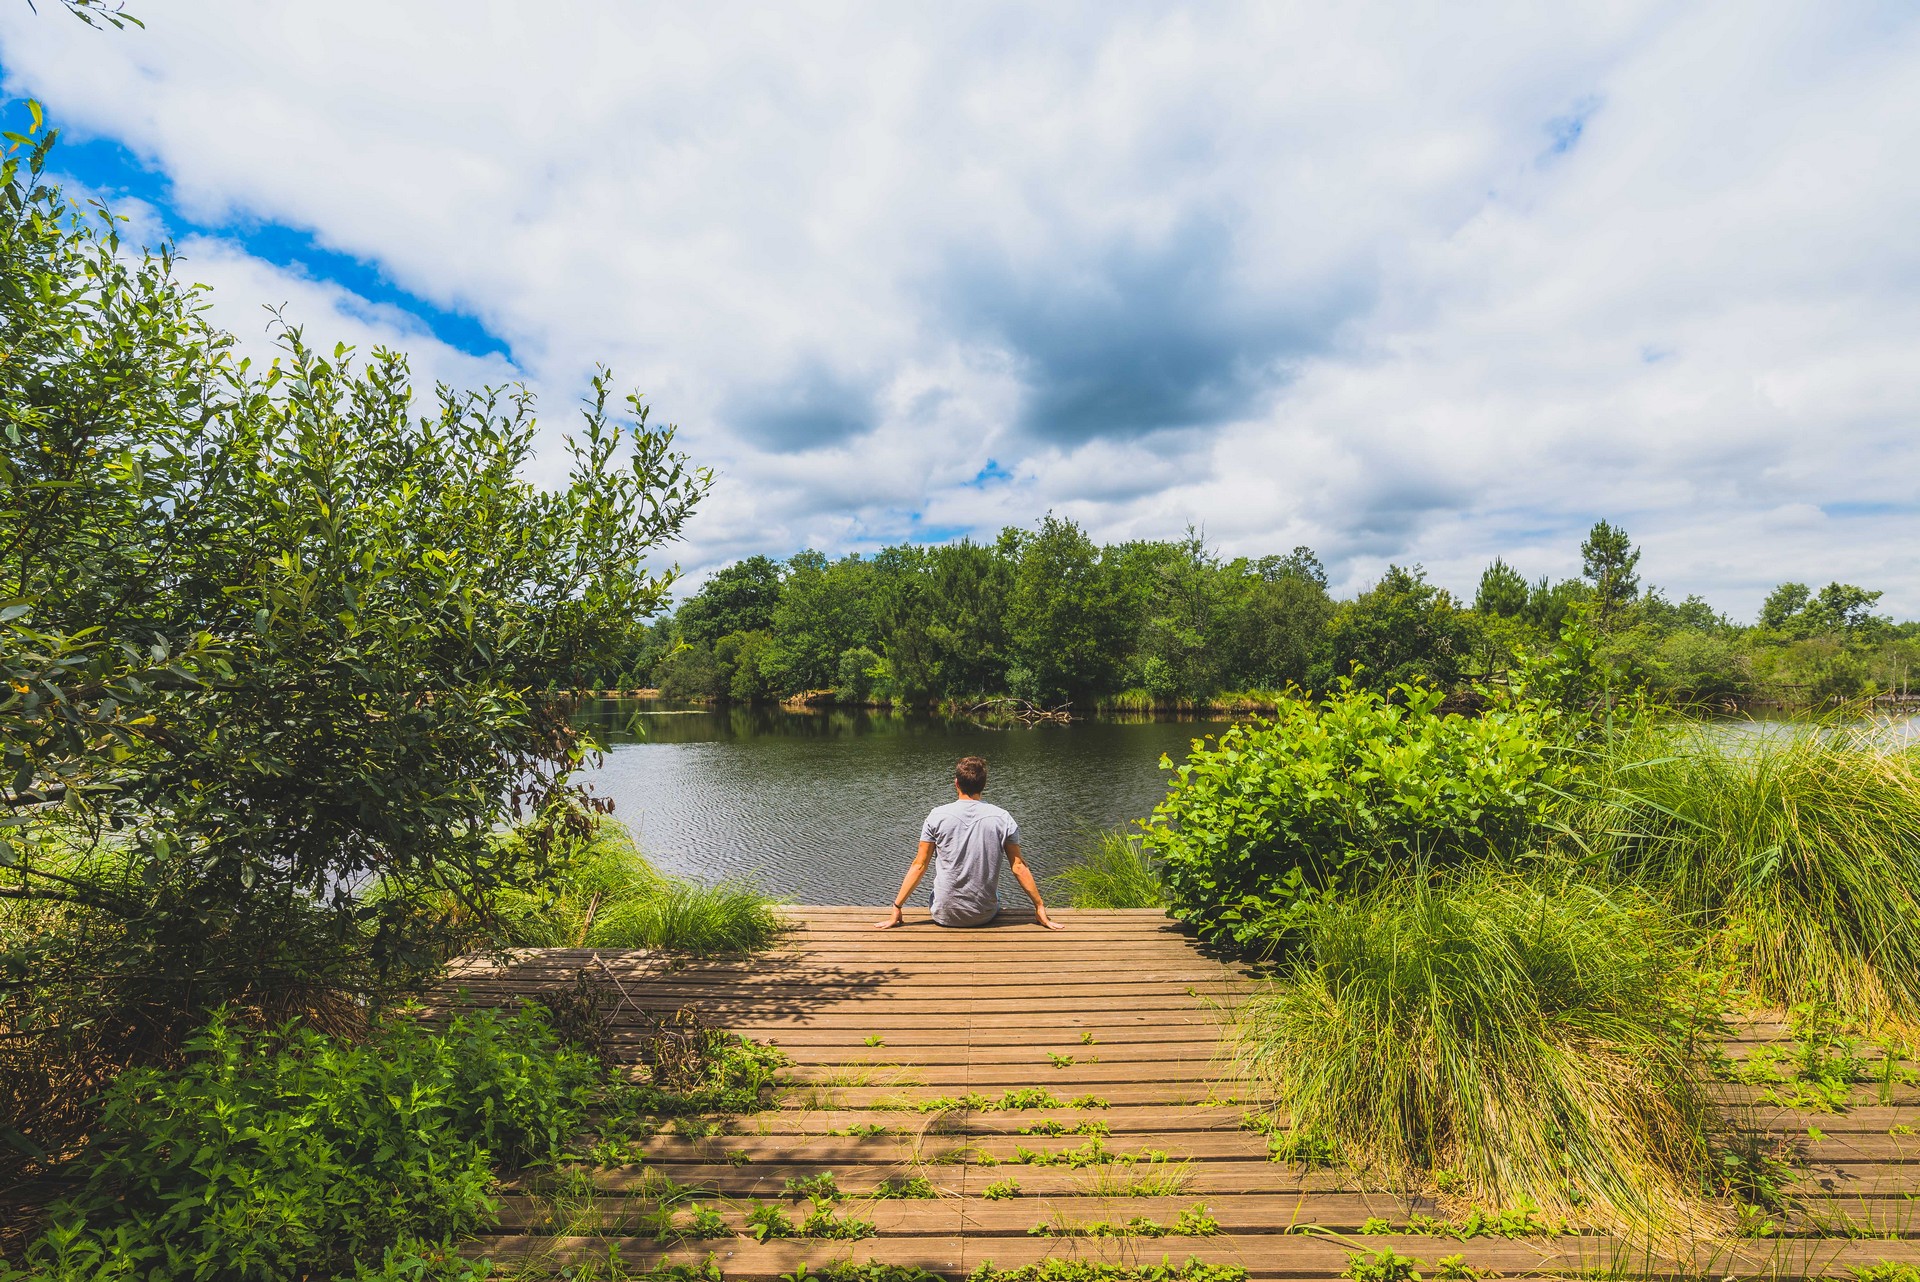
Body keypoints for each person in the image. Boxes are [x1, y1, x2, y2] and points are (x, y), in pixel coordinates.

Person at [873, 755, 1063, 930]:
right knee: (996, 897)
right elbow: (1019, 867)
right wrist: (1039, 906)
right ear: (984, 785)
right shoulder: (1003, 818)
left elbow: (919, 865)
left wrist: (897, 906)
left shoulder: (936, 816)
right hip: (984, 915)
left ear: (956, 783)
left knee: (935, 892)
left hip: (944, 915)